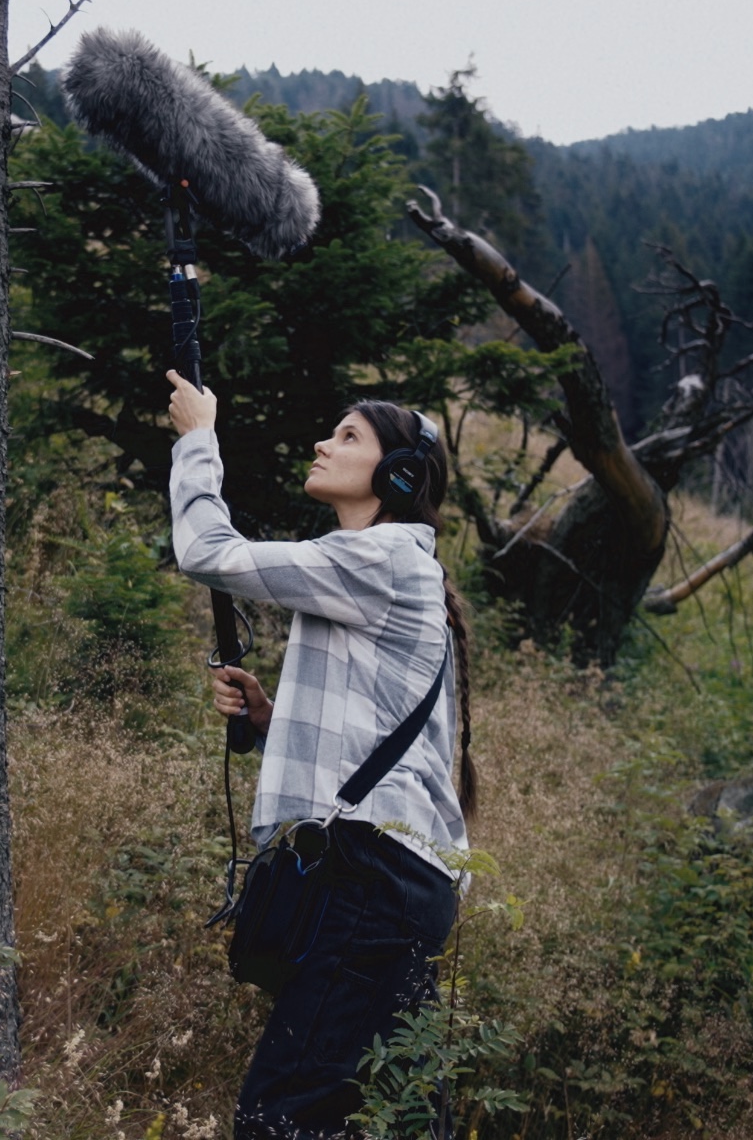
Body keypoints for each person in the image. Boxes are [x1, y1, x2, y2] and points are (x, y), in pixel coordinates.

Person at [164, 369, 477, 1138]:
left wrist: (199, 439)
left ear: (397, 474)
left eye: (348, 436)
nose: (323, 444)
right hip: (399, 878)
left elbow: (206, 551)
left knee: (282, 1113)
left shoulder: (384, 558)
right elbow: (387, 733)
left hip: (371, 877)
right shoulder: (394, 566)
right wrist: (271, 718)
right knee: (392, 1115)